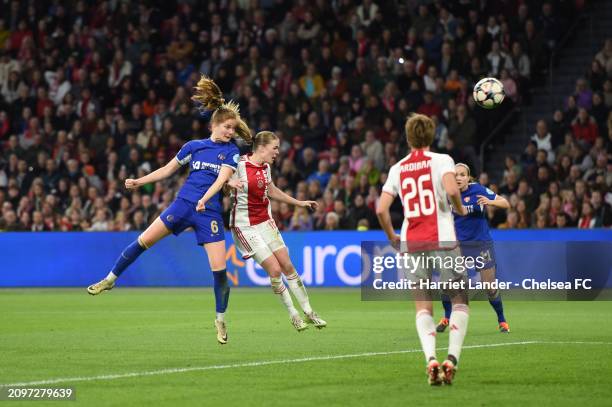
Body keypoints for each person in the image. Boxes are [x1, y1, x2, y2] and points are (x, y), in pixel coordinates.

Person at [86, 76, 252, 345]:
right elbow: (167, 170)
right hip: (183, 205)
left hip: (208, 212)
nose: (231, 132)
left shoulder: (231, 152)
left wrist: (210, 196)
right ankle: (110, 279)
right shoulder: (194, 147)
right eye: (227, 127)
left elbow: (223, 179)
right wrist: (139, 181)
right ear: (214, 124)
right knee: (143, 241)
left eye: (233, 128)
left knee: (220, 271)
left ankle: (220, 319)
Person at [376, 113, 468, 386]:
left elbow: (381, 208)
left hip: (412, 240)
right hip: (443, 239)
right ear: (432, 135)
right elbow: (452, 190)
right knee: (459, 300)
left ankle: (430, 360)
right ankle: (451, 358)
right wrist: (460, 209)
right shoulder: (443, 161)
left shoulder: (398, 168)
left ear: (408, 137)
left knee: (423, 306)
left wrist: (392, 235)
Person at [216, 130, 326, 331]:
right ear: (262, 147)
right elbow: (222, 184)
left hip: (265, 222)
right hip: (244, 225)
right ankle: (294, 315)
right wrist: (227, 183)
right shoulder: (238, 164)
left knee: (288, 265)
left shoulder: (265, 167)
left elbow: (271, 190)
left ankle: (309, 312)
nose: (277, 152)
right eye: (275, 148)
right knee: (275, 270)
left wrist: (299, 202)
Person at [436, 163, 511, 334]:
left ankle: (502, 320)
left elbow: (505, 203)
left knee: (489, 287)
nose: (458, 178)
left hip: (481, 244)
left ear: (468, 178)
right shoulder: (447, 194)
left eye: (462, 175)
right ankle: (447, 317)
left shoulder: (477, 190)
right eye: (455, 175)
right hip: (459, 246)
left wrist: (490, 201)